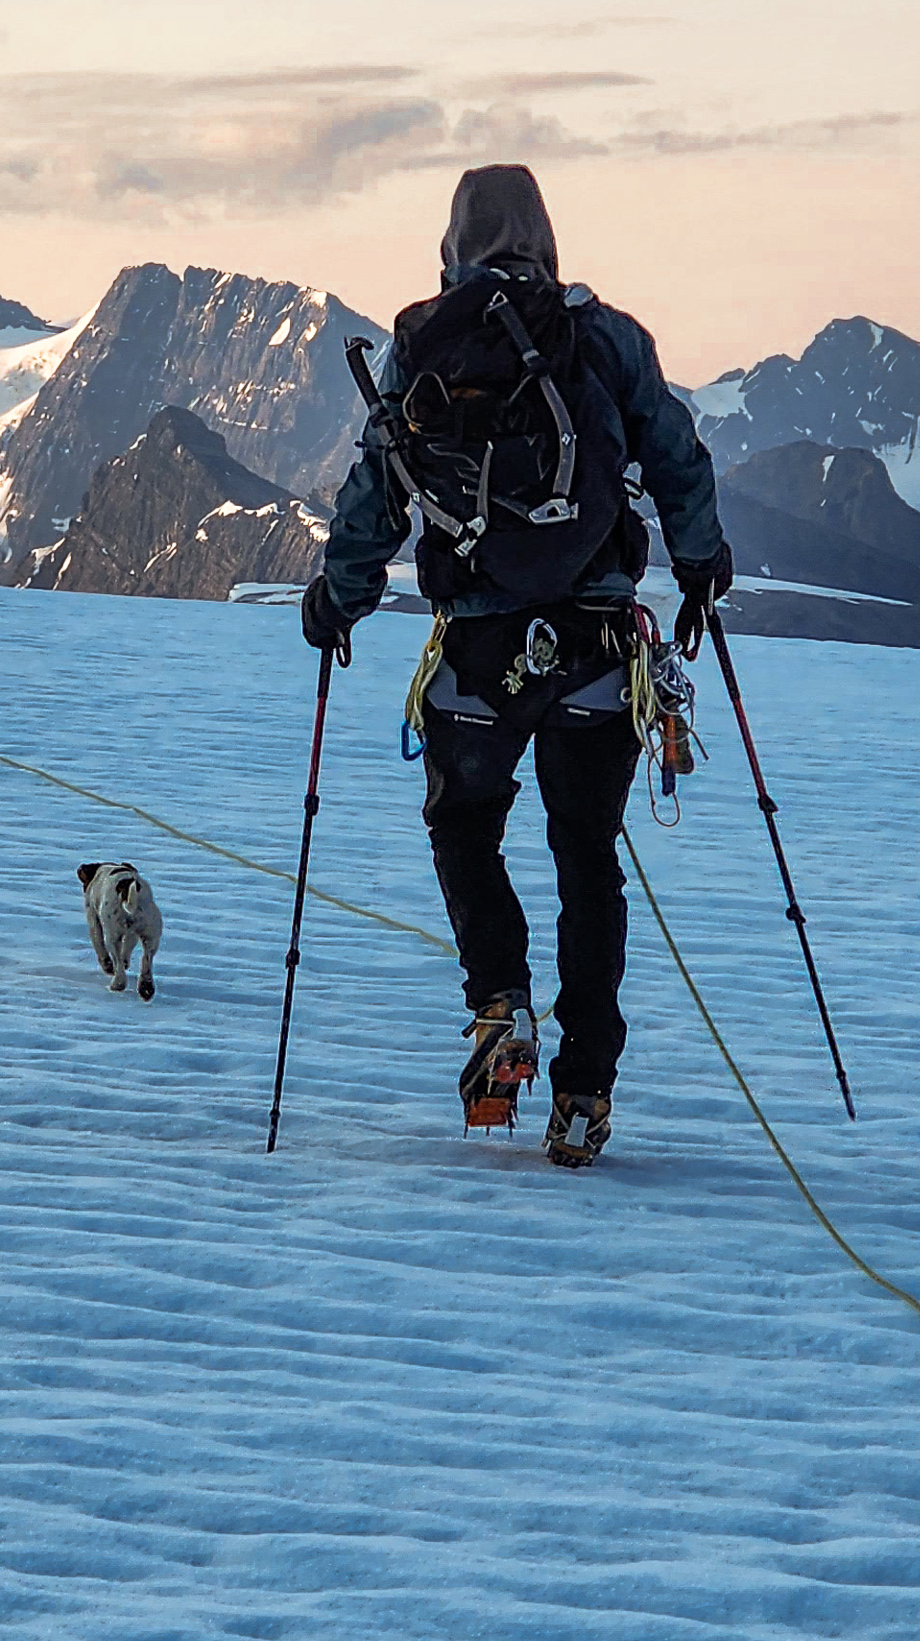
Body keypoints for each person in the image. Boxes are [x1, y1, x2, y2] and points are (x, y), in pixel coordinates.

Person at [299, 165, 732, 1167]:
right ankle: (584, 1090)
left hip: (479, 652)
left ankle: (500, 1008)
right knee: (588, 856)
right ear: (549, 237)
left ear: (451, 243)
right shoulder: (604, 336)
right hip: (594, 646)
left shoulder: (423, 344)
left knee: (465, 825)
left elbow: (377, 493)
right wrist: (703, 564)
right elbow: (676, 455)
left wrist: (337, 599)